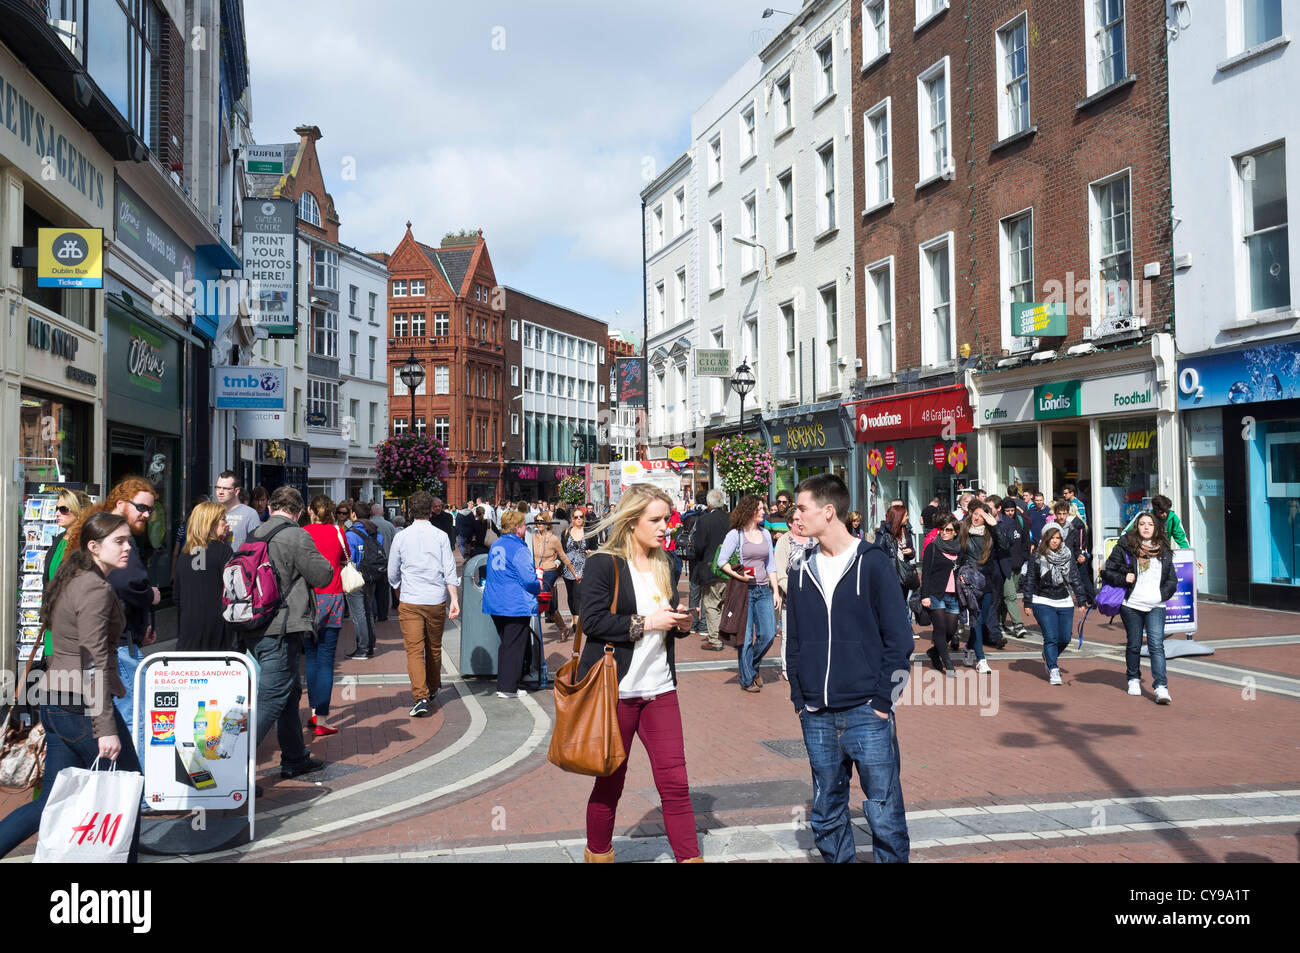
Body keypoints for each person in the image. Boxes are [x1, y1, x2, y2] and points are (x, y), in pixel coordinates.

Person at [0, 512, 144, 861]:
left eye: (129, 540)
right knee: (128, 788)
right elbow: (92, 660)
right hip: (80, 706)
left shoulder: (73, 577)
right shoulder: (95, 587)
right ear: (94, 546)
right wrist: (105, 727)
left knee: (51, 799)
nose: (128, 548)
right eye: (119, 542)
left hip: (55, 701)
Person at [787, 474, 911, 863]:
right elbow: (794, 639)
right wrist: (799, 697)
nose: (795, 515)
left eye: (802, 508)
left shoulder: (873, 563)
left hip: (866, 712)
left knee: (884, 814)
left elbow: (901, 641)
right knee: (826, 813)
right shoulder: (800, 568)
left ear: (828, 512)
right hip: (817, 714)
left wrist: (882, 702)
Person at [577, 484, 701, 863]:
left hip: (660, 690)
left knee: (676, 785)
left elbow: (666, 617)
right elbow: (594, 621)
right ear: (632, 522)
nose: (666, 526)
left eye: (667, 518)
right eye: (657, 519)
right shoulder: (604, 563)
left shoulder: (666, 563)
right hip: (616, 692)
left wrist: (679, 624)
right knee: (610, 782)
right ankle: (598, 854)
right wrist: (649, 622)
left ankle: (690, 858)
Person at [245, 487, 333, 778]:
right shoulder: (295, 535)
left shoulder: (255, 534)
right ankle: (229, 763)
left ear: (270, 508)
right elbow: (322, 574)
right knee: (270, 699)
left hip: (252, 624)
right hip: (280, 628)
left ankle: (295, 757)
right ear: (298, 512)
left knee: (289, 692)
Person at [67, 477, 161, 740]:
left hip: (109, 642)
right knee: (135, 719)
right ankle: (135, 780)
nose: (146, 514)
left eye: (150, 509)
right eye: (141, 507)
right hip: (116, 646)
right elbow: (125, 582)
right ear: (121, 503)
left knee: (114, 721)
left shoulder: (98, 531)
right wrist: (149, 596)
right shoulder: (113, 535)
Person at [387, 491, 461, 716]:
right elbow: (449, 569)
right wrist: (454, 599)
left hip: (410, 598)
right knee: (433, 646)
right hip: (435, 598)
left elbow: (392, 571)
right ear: (430, 510)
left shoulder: (401, 536)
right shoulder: (440, 536)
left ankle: (421, 695)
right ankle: (433, 685)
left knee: (414, 649)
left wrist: (399, 587)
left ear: (409, 510)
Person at [1102, 512, 1178, 704]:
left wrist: (1162, 595)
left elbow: (1171, 579)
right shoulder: (1126, 546)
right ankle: (1133, 678)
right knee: (1134, 644)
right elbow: (1107, 571)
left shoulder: (1164, 550)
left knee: (1156, 646)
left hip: (1156, 605)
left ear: (1156, 528)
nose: (1146, 527)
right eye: (1142, 524)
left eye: (1150, 524)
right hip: (1132, 604)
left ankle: (1161, 687)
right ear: (1137, 527)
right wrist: (1123, 578)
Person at [715, 495, 781, 693]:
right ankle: (747, 679)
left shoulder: (766, 534)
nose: (763, 512)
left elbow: (771, 564)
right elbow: (721, 561)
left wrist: (775, 591)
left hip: (763, 590)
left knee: (769, 634)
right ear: (750, 511)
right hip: (745, 591)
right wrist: (737, 574)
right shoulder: (736, 534)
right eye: (759, 509)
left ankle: (750, 665)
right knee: (745, 636)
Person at [483, 508, 542, 699]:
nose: (526, 528)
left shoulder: (496, 544)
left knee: (507, 644)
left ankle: (507, 682)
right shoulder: (519, 548)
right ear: (518, 528)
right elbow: (528, 579)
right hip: (514, 603)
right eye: (524, 525)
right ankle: (508, 687)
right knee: (514, 645)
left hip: (495, 601)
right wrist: (538, 584)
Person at [302, 496, 348, 735]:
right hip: (333, 597)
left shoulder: (302, 533)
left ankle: (312, 712)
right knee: (326, 658)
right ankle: (322, 718)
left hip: (308, 600)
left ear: (310, 510)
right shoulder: (338, 533)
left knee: (310, 656)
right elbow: (344, 558)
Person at [172, 502, 235, 653]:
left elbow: (177, 596)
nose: (227, 523)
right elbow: (232, 591)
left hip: (188, 629)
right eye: (223, 519)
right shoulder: (224, 551)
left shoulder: (185, 553)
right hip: (217, 630)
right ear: (211, 523)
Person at [1021, 526, 1079, 686]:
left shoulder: (1067, 555)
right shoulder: (1037, 556)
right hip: (1042, 600)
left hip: (1064, 600)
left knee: (1065, 637)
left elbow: (1074, 576)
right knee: (1051, 637)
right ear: (1046, 539)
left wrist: (1082, 598)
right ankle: (1053, 668)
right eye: (1052, 537)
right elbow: (1030, 579)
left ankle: (1048, 655)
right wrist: (1027, 602)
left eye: (1058, 538)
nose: (1055, 540)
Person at [39, 490, 93, 659]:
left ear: (79, 511)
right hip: (53, 623)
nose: (57, 513)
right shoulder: (58, 540)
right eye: (57, 508)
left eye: (64, 509)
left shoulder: (85, 544)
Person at [774, 505, 815, 680]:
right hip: (792, 595)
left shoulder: (815, 539)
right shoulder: (785, 541)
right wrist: (790, 590)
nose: (800, 522)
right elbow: (780, 572)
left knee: (812, 633)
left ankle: (810, 665)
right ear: (790, 523)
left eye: (802, 519)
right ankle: (788, 667)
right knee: (791, 634)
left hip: (814, 595)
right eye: (796, 520)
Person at [919, 513, 962, 676]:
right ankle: (948, 664)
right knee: (941, 628)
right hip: (936, 594)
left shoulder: (960, 549)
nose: (944, 533)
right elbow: (926, 573)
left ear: (955, 532)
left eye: (948, 530)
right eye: (941, 530)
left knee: (951, 631)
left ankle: (934, 652)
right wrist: (925, 595)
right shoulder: (933, 547)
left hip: (954, 595)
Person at [958, 502, 999, 673]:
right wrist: (959, 574)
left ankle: (968, 646)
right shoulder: (963, 531)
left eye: (982, 515)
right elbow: (957, 555)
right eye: (975, 513)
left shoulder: (990, 535)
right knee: (975, 617)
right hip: (969, 580)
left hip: (987, 580)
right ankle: (981, 659)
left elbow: (1005, 545)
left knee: (981, 620)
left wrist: (995, 527)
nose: (977, 518)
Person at [691, 489, 732, 652]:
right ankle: (719, 634)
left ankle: (715, 639)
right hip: (729, 569)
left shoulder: (705, 521)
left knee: (711, 603)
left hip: (711, 568)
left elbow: (699, 546)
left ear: (708, 504)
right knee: (722, 603)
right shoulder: (731, 520)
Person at [529, 512, 579, 641]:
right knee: (549, 606)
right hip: (535, 571)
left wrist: (575, 573)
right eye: (537, 521)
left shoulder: (553, 539)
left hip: (549, 572)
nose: (539, 524)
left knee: (543, 596)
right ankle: (563, 628)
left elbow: (563, 556)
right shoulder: (532, 537)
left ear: (547, 523)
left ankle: (534, 630)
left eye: (542, 521)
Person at [343, 514, 384, 660]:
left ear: (353, 514)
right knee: (367, 611)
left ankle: (363, 648)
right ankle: (370, 645)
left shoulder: (351, 534)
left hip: (357, 576)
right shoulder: (375, 532)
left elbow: (350, 557)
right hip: (372, 575)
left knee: (358, 613)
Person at [993, 495, 1031, 640]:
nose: (1010, 513)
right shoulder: (1001, 523)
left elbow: (1026, 542)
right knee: (1011, 596)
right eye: (1007, 510)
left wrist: (1024, 558)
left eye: (1012, 510)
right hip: (1004, 565)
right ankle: (1018, 625)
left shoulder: (1021, 521)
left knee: (1006, 596)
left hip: (1017, 565)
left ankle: (1000, 621)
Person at [1053, 500, 1096, 608]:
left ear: (1068, 513)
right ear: (1055, 514)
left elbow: (1077, 547)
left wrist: (1080, 555)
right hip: (1053, 563)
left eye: (1064, 513)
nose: (1061, 516)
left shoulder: (1073, 528)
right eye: (1059, 513)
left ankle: (1083, 601)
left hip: (1069, 562)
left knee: (1077, 581)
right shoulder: (1050, 527)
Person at [559, 507, 595, 632]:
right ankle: (574, 617)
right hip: (568, 569)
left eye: (581, 517)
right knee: (571, 595)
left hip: (582, 568)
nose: (578, 519)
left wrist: (591, 552)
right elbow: (562, 551)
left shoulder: (589, 532)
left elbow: (595, 548)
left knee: (578, 594)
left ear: (584, 519)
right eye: (576, 517)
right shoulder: (566, 532)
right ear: (572, 519)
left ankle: (578, 619)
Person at [877, 504, 917, 601]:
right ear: (898, 517)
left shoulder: (906, 530)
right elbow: (877, 555)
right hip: (890, 575)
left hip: (904, 575)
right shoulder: (884, 533)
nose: (908, 517)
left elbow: (912, 552)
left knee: (903, 603)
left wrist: (911, 552)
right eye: (906, 515)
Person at [1122, 494, 1191, 549]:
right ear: (1155, 510)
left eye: (1167, 511)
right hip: (1144, 551)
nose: (1165, 514)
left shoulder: (1173, 518)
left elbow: (1181, 538)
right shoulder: (1145, 517)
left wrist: (1189, 554)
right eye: (1161, 512)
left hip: (1164, 552)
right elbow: (1127, 533)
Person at [215, 470, 262, 550]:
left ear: (236, 491)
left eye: (226, 489)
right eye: (218, 487)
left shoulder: (249, 514)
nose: (220, 492)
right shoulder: (212, 512)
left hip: (238, 561)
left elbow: (255, 547)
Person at [368, 504, 398, 622]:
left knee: (371, 589)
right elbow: (394, 544)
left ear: (371, 513)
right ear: (382, 513)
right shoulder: (389, 526)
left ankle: (373, 612)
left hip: (370, 562)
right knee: (384, 590)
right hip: (386, 562)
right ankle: (383, 614)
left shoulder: (367, 524)